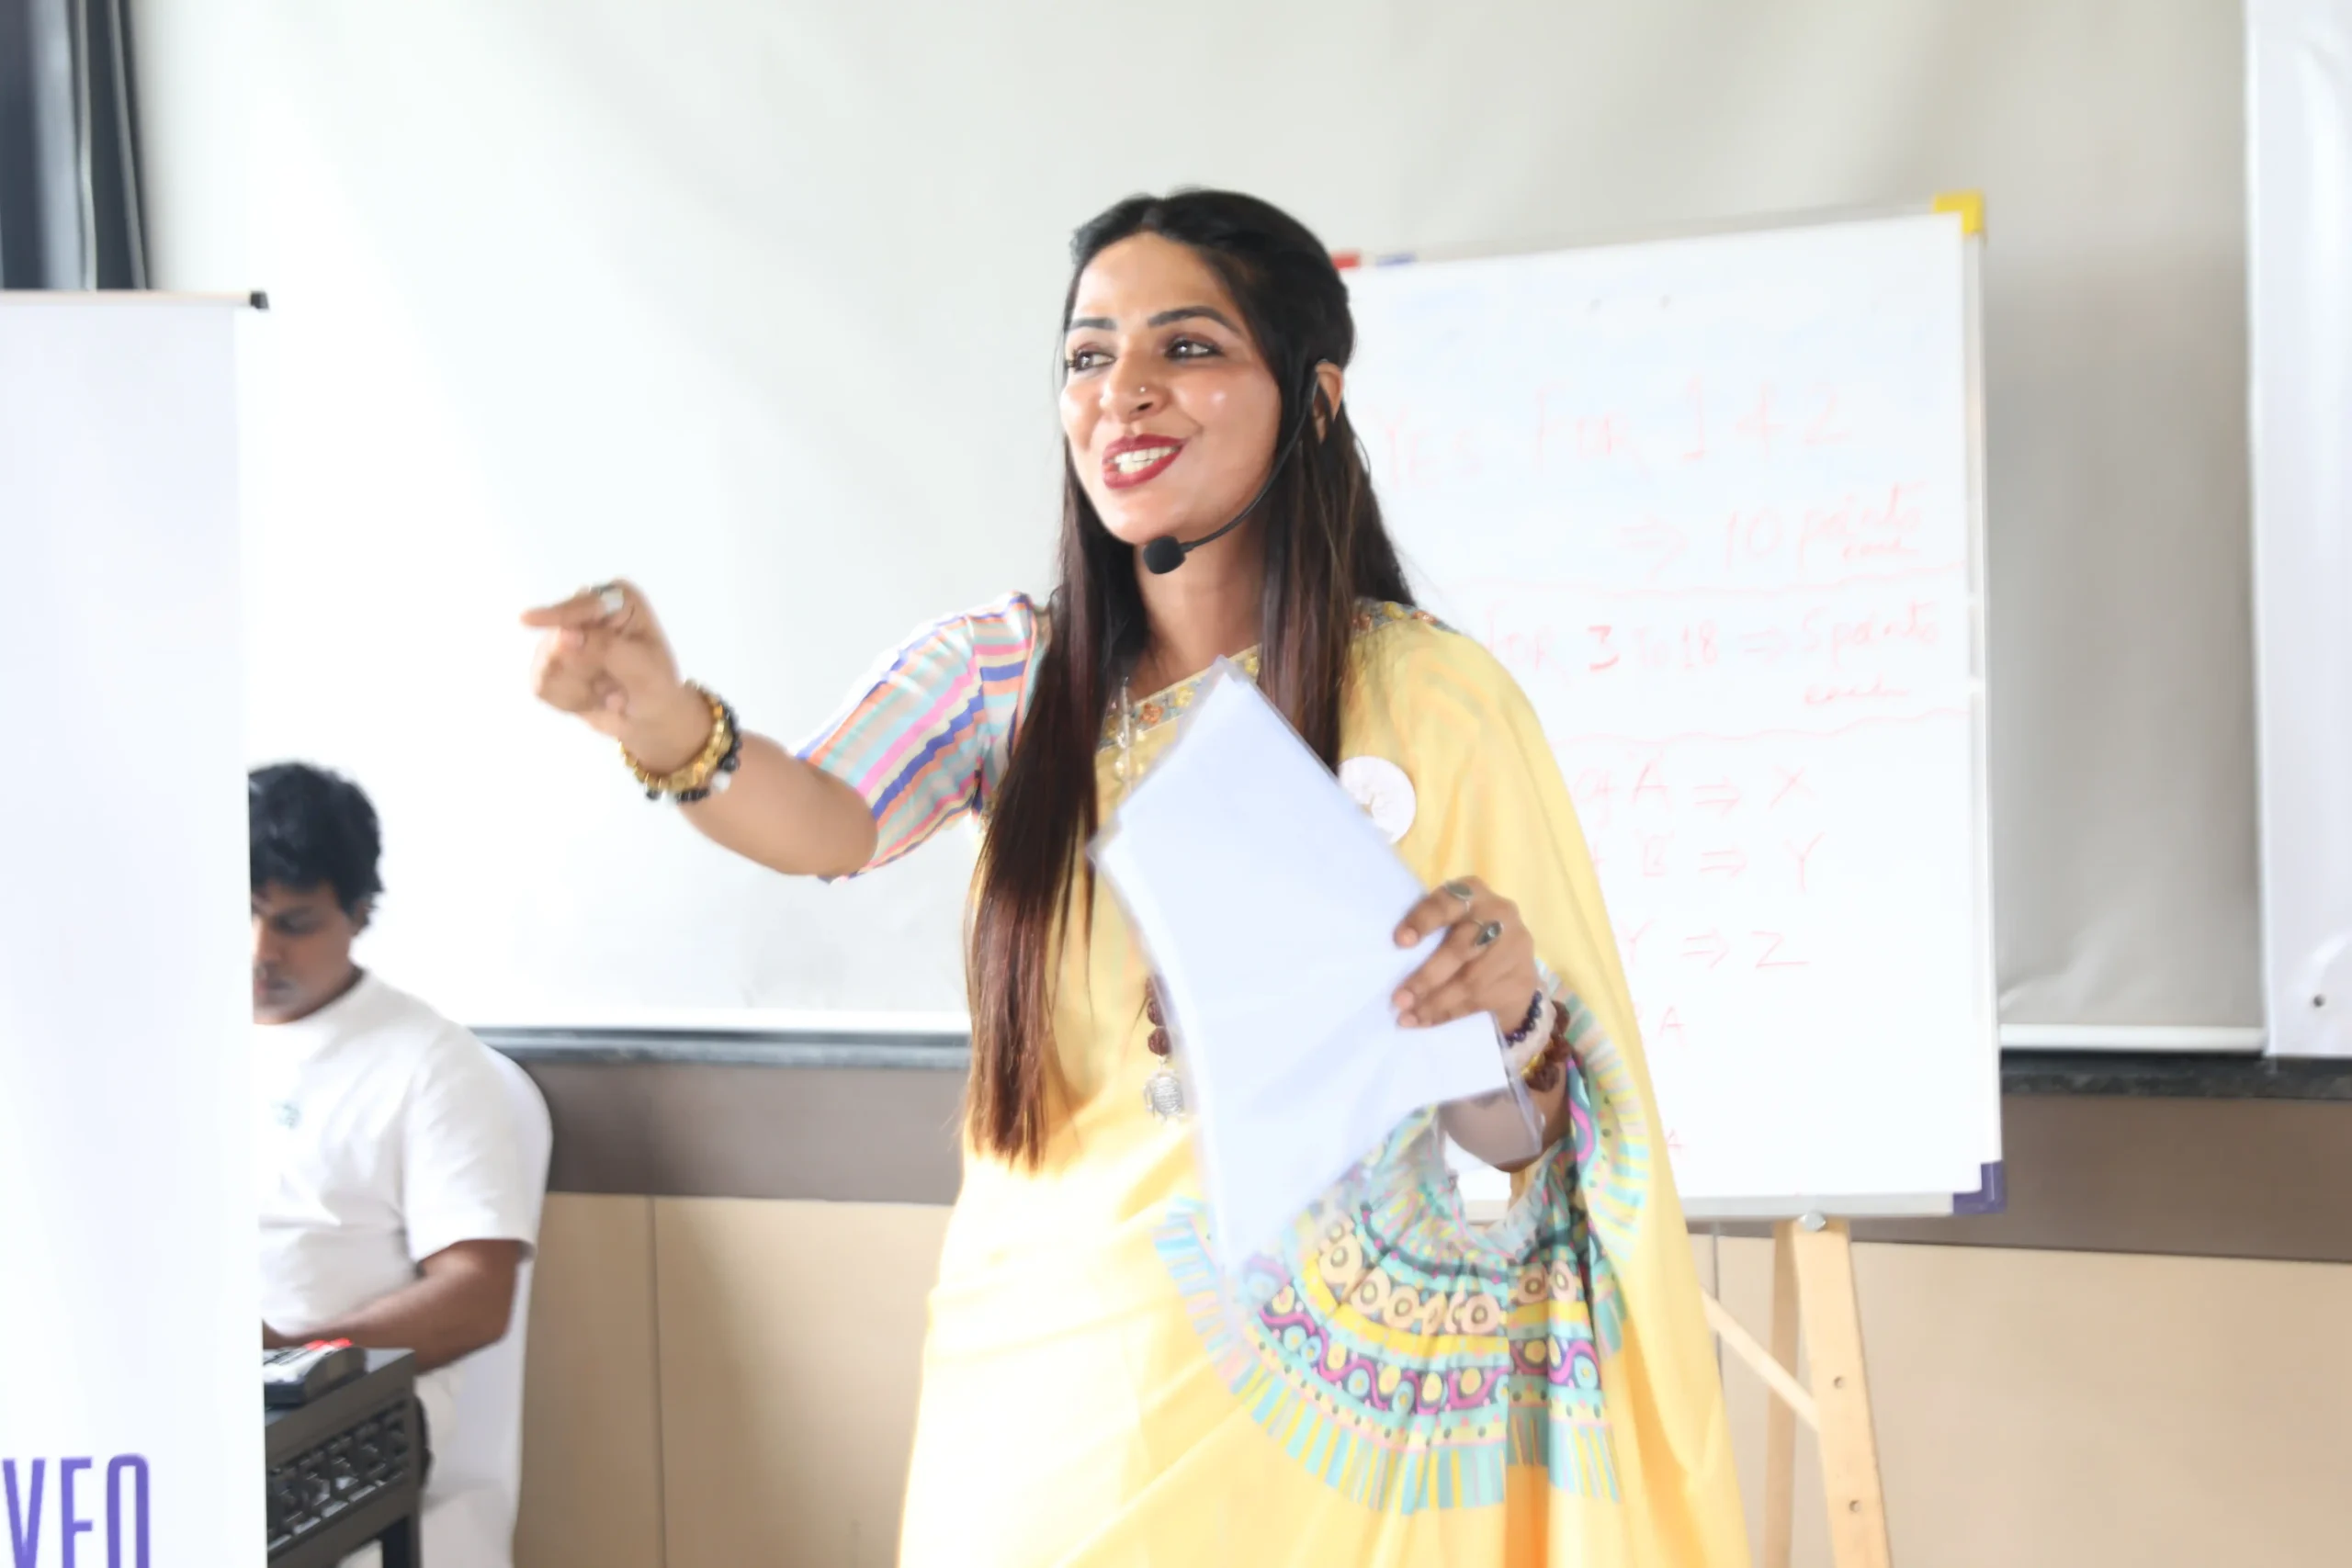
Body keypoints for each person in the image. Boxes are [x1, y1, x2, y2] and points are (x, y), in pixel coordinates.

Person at [525, 190, 1747, 1565]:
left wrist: (1509, 1017)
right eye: (1089, 355)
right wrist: (665, 723)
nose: (1125, 392)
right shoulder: (1008, 674)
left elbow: (1512, 1153)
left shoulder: (1436, 701)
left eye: (1188, 347)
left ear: (1316, 397)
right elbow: (821, 817)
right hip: (1056, 1380)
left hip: (1350, 1420)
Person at [250, 762, 544, 1568]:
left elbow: (477, 1297)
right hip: (175, 1392)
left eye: (294, 922)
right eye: (240, 913)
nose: (259, 950)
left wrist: (295, 1353)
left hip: (351, 1419)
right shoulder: (157, 1043)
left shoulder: (428, 1062)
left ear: (358, 912)